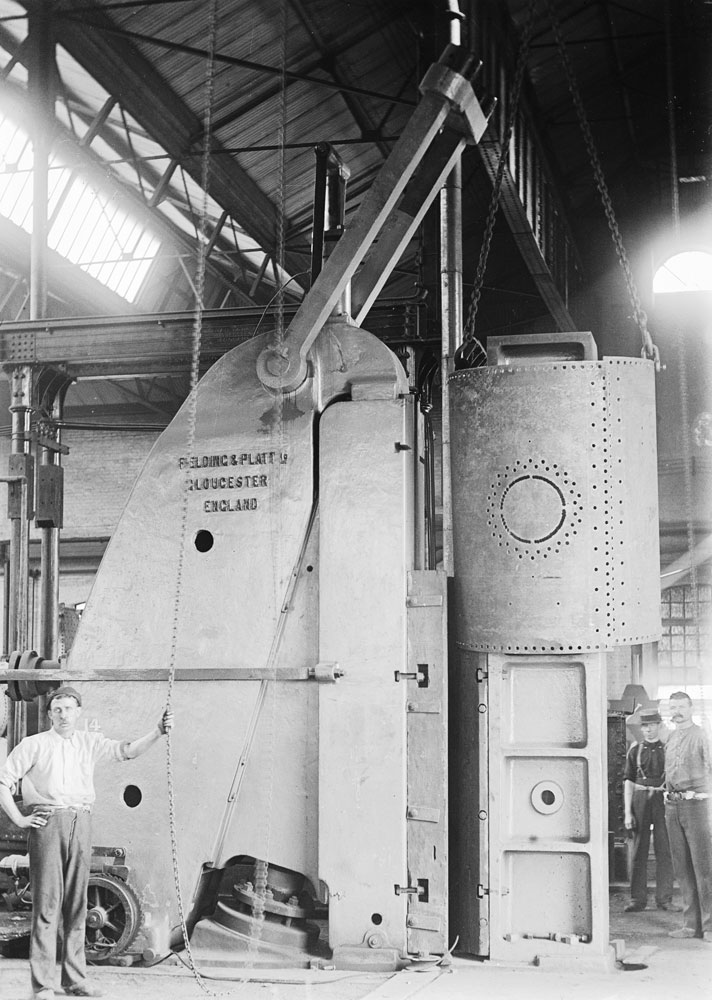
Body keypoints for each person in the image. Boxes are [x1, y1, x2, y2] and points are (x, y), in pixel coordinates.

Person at [0, 686, 173, 999]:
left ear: (79, 712)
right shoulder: (34, 745)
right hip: (50, 823)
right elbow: (3, 780)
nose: (64, 715)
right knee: (47, 906)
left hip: (83, 821)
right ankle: (44, 985)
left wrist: (158, 732)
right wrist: (20, 820)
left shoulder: (89, 743)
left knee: (77, 905)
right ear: (50, 714)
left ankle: (75, 981)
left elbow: (129, 750)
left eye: (69, 709)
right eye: (58, 710)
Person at [664, 690, 712, 941]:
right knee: (682, 868)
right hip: (672, 808)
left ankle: (710, 926)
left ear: (691, 708)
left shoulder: (702, 736)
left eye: (682, 706)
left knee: (704, 869)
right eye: (673, 707)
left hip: (698, 807)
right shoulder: (671, 737)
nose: (677, 711)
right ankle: (690, 925)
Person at [623, 707, 678, 912]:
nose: (648, 730)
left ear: (659, 726)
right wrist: (628, 813)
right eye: (645, 726)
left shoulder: (668, 749)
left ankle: (664, 899)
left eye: (652, 725)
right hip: (639, 801)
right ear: (642, 728)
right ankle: (637, 899)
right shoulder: (635, 750)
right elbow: (628, 781)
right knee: (639, 850)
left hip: (662, 800)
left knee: (665, 850)